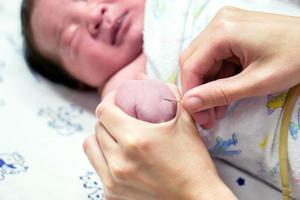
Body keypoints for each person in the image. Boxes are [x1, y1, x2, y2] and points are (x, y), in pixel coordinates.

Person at [20, 0, 300, 199]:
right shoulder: (123, 82)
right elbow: (142, 129)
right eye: (70, 37)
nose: (95, 13)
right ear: (79, 82)